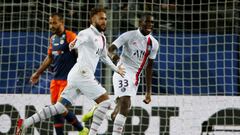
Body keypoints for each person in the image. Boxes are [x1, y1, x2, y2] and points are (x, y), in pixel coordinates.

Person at [16, 7, 125, 135]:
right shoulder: (87, 33)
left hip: (76, 75)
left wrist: (116, 69)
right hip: (82, 73)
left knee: (60, 107)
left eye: (105, 19)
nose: (104, 21)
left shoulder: (102, 38)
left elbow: (103, 57)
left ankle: (25, 123)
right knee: (106, 102)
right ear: (93, 19)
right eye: (101, 18)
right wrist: (74, 44)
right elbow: (78, 40)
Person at [82, 13, 159, 135]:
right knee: (125, 103)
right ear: (140, 23)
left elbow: (149, 67)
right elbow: (109, 49)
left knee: (116, 113)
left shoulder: (154, 43)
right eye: (147, 22)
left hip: (135, 78)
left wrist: (148, 91)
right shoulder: (129, 36)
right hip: (122, 71)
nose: (149, 25)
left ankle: (98, 109)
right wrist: (114, 57)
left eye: (152, 23)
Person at [16, 13, 89, 135]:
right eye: (50, 23)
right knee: (56, 109)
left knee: (60, 108)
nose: (51, 26)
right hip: (55, 80)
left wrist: (83, 72)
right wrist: (37, 73)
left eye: (54, 23)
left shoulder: (70, 36)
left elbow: (79, 53)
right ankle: (81, 130)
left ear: (62, 22)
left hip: (68, 80)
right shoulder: (52, 38)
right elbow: (49, 58)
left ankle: (82, 130)